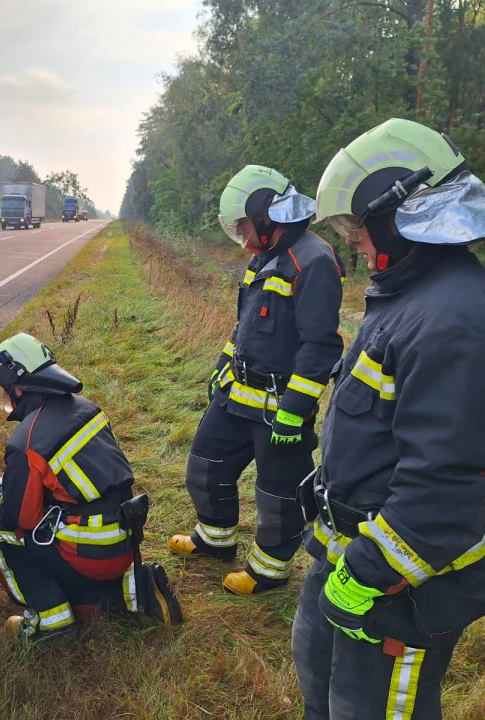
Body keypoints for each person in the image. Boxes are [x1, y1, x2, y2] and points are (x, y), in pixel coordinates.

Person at [293, 118, 485, 719]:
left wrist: (369, 572)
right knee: (321, 686)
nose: (352, 242)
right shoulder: (409, 297)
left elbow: (448, 484)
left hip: (401, 581)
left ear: (396, 213)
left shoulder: (457, 321)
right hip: (354, 554)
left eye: (356, 225)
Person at [169, 165, 344, 596]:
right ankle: (215, 540)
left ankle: (269, 570)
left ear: (267, 214)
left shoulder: (315, 260)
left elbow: (320, 347)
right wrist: (222, 365)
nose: (243, 235)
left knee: (278, 495)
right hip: (236, 392)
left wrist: (295, 411)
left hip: (279, 406)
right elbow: (245, 325)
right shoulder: (263, 256)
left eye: (245, 224)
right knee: (205, 467)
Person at [0, 333, 183, 637]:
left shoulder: (26, 440)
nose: (9, 397)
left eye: (7, 389)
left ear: (19, 385)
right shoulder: (87, 408)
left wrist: (5, 498)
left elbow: (19, 518)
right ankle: (138, 589)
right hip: (126, 539)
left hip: (89, 550)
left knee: (1, 532)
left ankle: (50, 623)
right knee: (86, 597)